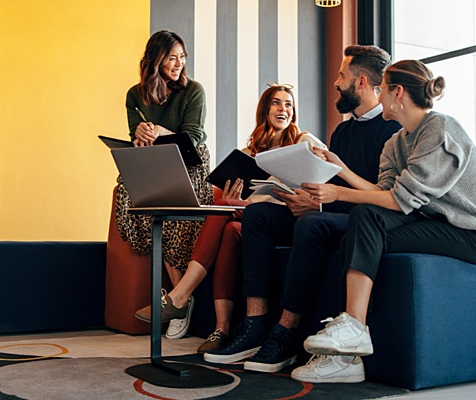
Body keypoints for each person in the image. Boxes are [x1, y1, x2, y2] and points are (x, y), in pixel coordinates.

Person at [291, 59, 476, 383]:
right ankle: (347, 358)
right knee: (355, 235)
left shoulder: (441, 130)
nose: (377, 95)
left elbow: (398, 200)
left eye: (383, 88)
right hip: (431, 223)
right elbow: (384, 191)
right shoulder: (396, 142)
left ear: (397, 92)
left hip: (470, 235)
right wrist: (341, 170)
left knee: (364, 218)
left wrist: (338, 193)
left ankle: (352, 329)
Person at [203, 45, 402, 375]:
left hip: (364, 221)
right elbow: (326, 182)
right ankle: (254, 325)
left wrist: (319, 205)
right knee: (258, 216)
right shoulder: (342, 131)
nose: (336, 82)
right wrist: (305, 198)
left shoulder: (392, 131)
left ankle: (285, 334)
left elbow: (382, 197)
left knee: (311, 224)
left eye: (342, 75)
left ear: (362, 81)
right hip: (328, 211)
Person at [134, 83, 326, 345]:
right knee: (228, 226)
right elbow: (236, 198)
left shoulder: (304, 141)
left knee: (227, 215)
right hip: (252, 220)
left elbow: (326, 178)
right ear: (265, 111)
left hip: (291, 217)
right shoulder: (249, 154)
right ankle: (221, 329)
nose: (283, 109)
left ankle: (180, 296)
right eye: (276, 103)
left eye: (289, 104)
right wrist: (232, 201)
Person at [115, 30, 214, 339]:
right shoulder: (135, 94)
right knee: (131, 196)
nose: (178, 63)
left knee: (172, 219)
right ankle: (179, 300)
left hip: (189, 164)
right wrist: (140, 136)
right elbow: (135, 133)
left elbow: (193, 137)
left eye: (182, 57)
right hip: (155, 161)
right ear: (155, 60)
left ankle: (178, 299)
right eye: (172, 57)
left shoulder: (193, 90)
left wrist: (159, 130)